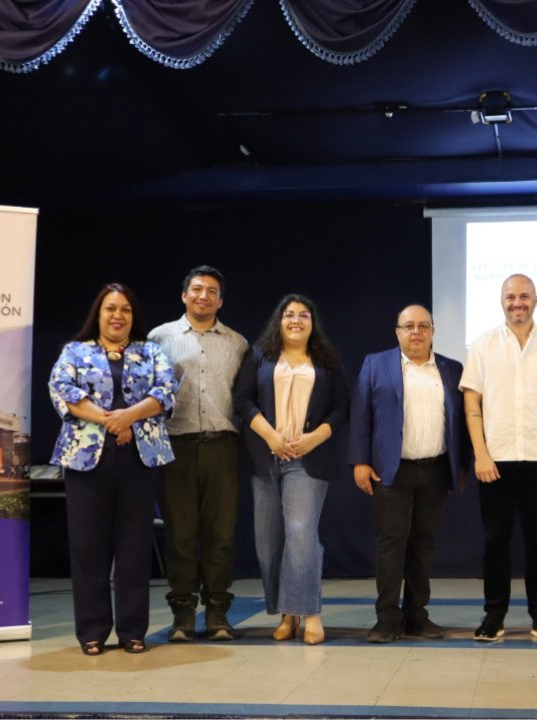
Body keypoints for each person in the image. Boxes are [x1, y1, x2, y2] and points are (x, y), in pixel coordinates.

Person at [47, 283, 177, 656]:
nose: (118, 315)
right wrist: (111, 422)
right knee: (89, 547)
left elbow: (167, 391)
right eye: (110, 308)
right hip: (87, 459)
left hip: (140, 458)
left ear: (133, 316)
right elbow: (61, 389)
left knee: (134, 547)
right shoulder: (74, 351)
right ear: (98, 314)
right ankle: (91, 631)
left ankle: (133, 631)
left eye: (125, 309)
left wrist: (129, 417)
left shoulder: (151, 351)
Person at [460, 274, 537, 642]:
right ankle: (494, 616)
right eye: (510, 297)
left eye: (524, 296)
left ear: (536, 300)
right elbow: (471, 402)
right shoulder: (482, 345)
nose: (517, 302)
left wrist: (534, 424)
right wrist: (480, 453)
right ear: (501, 301)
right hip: (495, 460)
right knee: (496, 542)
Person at [233, 293, 348, 645]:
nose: (296, 320)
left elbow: (343, 406)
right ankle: (286, 613)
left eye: (303, 315)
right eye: (288, 314)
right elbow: (242, 400)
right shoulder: (259, 356)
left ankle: (309, 613)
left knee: (300, 533)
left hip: (308, 459)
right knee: (269, 542)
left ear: (313, 323)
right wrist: (270, 436)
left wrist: (315, 438)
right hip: (265, 457)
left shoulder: (326, 361)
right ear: (278, 321)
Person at [348, 304, 467, 643]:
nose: (416, 331)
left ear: (432, 331)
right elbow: (360, 414)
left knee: (423, 546)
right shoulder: (376, 364)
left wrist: (461, 466)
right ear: (397, 331)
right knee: (391, 546)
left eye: (423, 326)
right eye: (409, 326)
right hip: (391, 472)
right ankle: (387, 619)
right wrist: (359, 460)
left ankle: (417, 616)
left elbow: (460, 423)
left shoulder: (451, 369)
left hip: (435, 470)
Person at [148, 265, 249, 642]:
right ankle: (183, 614)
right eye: (196, 289)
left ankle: (219, 612)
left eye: (211, 291)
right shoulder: (159, 338)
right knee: (180, 535)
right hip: (176, 447)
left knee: (220, 535)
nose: (203, 296)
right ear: (184, 295)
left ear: (220, 300)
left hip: (223, 447)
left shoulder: (237, 343)